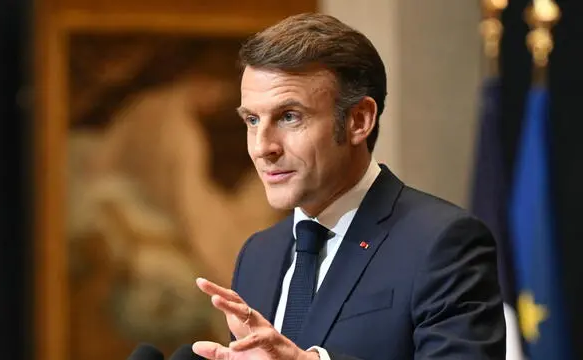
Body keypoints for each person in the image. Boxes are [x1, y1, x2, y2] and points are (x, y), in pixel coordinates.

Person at [191, 13, 506, 360]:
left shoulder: (443, 243)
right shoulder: (258, 254)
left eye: (289, 117)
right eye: (252, 120)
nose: (263, 146)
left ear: (359, 121)